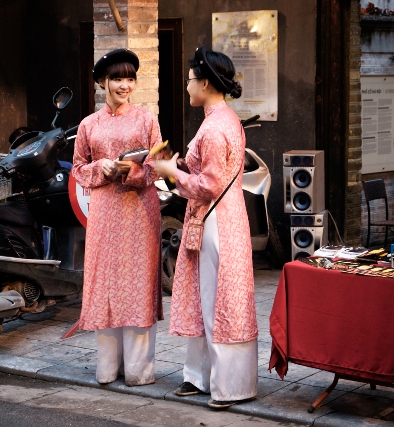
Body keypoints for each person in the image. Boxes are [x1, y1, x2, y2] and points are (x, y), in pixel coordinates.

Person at [154, 46, 258, 409]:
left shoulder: (214, 128)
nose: (186, 87)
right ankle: (201, 377)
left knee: (217, 301)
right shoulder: (224, 119)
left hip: (214, 218)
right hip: (223, 217)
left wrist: (171, 172)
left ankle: (227, 386)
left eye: (189, 80)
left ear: (206, 83)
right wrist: (178, 166)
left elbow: (209, 184)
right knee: (210, 298)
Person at [72, 48, 163, 386]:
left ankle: (139, 372)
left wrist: (131, 169)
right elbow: (79, 168)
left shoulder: (146, 119)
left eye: (129, 79)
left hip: (140, 209)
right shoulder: (88, 124)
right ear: (102, 82)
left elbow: (156, 165)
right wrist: (101, 166)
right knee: (106, 284)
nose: (125, 85)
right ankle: (107, 369)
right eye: (117, 79)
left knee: (138, 284)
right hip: (105, 212)